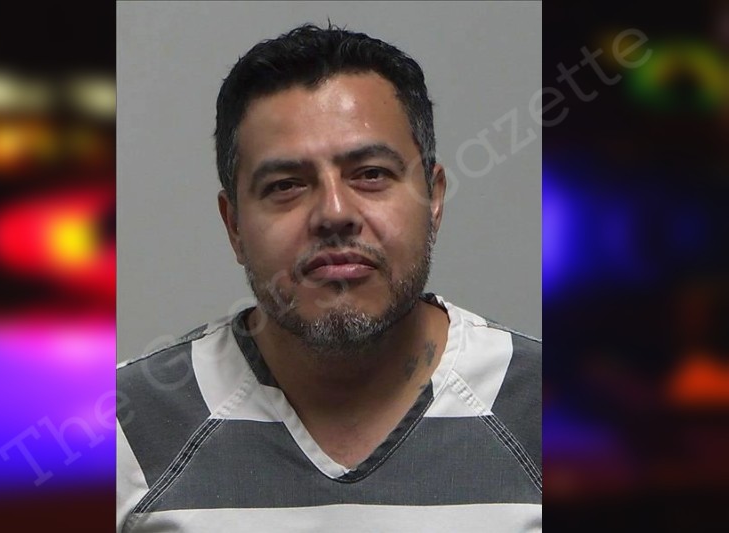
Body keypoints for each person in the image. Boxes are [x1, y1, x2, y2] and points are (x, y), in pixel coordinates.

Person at [117, 23, 541, 532]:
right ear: (234, 226)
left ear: (433, 199)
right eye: (286, 185)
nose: (334, 213)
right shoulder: (120, 431)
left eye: (371, 174)